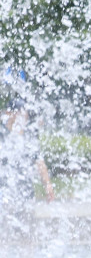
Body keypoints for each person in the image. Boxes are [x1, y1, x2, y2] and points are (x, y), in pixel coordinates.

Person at [0, 100, 55, 242]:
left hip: (25, 189)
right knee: (3, 231)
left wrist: (47, 184)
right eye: (18, 114)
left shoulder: (28, 137)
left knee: (28, 231)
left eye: (24, 115)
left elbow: (39, 162)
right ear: (8, 114)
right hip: (3, 191)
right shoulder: (2, 134)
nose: (22, 118)